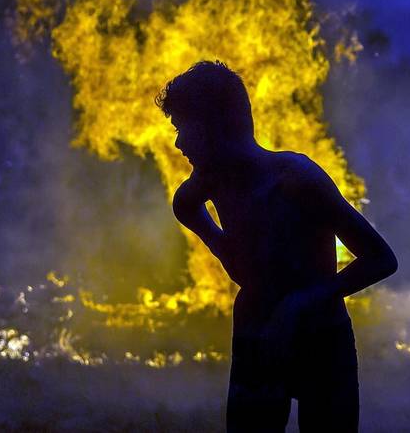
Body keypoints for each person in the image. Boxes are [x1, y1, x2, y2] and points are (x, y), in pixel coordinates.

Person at [158, 61, 397, 432]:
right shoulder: (210, 185)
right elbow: (192, 213)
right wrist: (218, 242)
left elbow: (380, 258)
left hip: (321, 336)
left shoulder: (295, 179)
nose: (179, 142)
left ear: (216, 125)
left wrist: (301, 303)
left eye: (183, 127)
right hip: (257, 331)